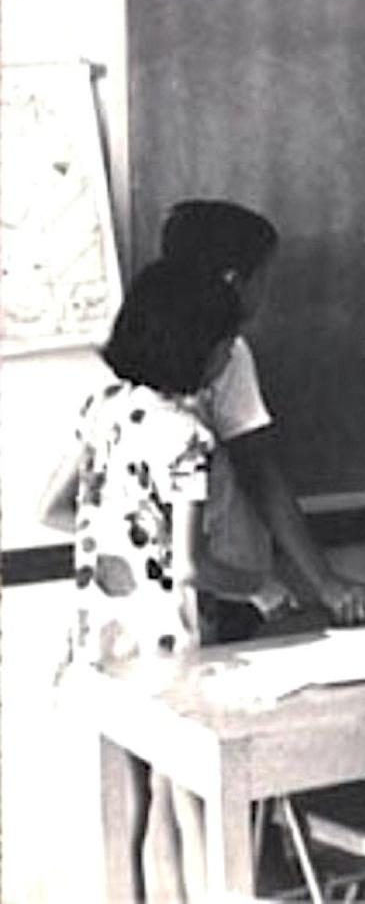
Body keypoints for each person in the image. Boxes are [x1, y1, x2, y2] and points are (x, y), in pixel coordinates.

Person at [42, 259, 244, 901]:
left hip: (103, 632)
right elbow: (192, 566)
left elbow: (49, 509)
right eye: (226, 344)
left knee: (128, 794)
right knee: (185, 794)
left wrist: (108, 535)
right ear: (203, 350)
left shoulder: (101, 409)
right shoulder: (190, 437)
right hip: (167, 640)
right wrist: (259, 586)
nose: (231, 354)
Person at [159, 199, 365, 639]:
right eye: (264, 277)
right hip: (219, 589)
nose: (265, 292)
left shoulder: (129, 352)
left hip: (151, 591)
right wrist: (324, 584)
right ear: (233, 281)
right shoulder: (226, 354)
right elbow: (258, 470)